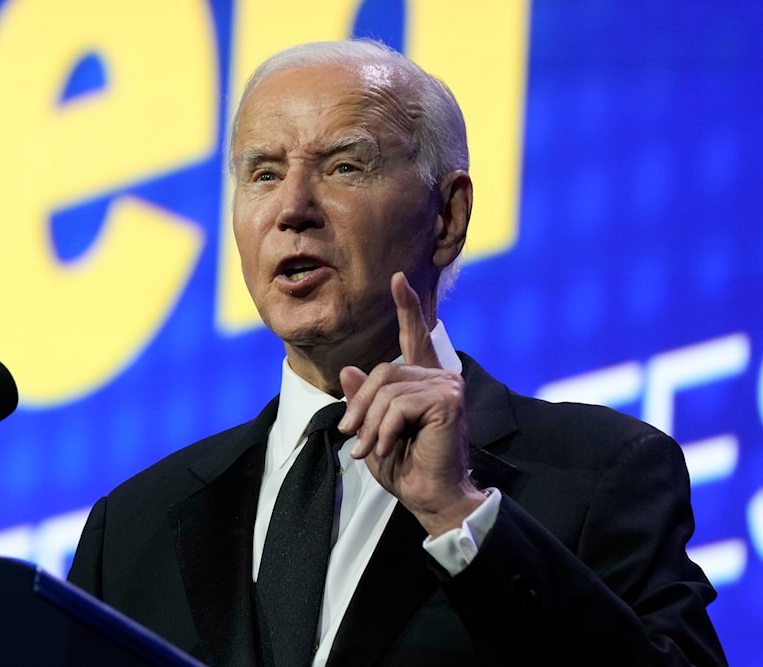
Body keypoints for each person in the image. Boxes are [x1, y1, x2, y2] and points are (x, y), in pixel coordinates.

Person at [68, 39, 727, 666]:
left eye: (344, 166)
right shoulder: (130, 531)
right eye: (263, 172)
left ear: (447, 217)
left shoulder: (598, 472)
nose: (292, 208)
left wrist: (458, 515)